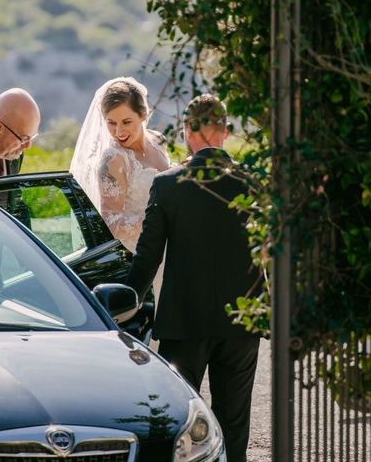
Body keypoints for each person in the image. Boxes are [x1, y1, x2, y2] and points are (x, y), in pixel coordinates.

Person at [125, 94, 260, 462]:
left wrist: (120, 301)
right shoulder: (254, 184)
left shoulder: (169, 185)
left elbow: (147, 259)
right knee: (234, 424)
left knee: (179, 422)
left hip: (183, 324)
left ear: (188, 131)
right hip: (241, 322)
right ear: (226, 133)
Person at [69, 77, 170, 253]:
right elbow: (111, 225)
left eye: (126, 122)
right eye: (111, 123)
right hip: (142, 253)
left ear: (143, 115)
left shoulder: (158, 140)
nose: (119, 132)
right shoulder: (113, 159)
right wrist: (159, 219)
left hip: (171, 247)